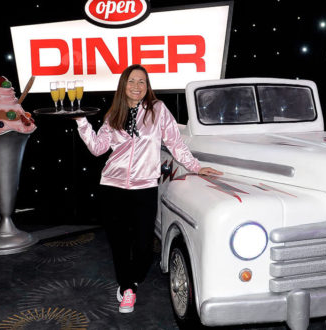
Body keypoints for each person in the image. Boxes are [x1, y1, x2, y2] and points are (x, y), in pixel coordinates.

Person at [75, 64, 222, 313]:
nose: (136, 86)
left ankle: (131, 281)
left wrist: (196, 167)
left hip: (144, 187)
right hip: (112, 187)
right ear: (123, 85)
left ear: (147, 85)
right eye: (131, 81)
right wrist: (81, 122)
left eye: (142, 82)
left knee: (143, 245)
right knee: (120, 243)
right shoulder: (114, 114)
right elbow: (98, 148)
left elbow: (176, 144)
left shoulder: (158, 110)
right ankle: (128, 289)